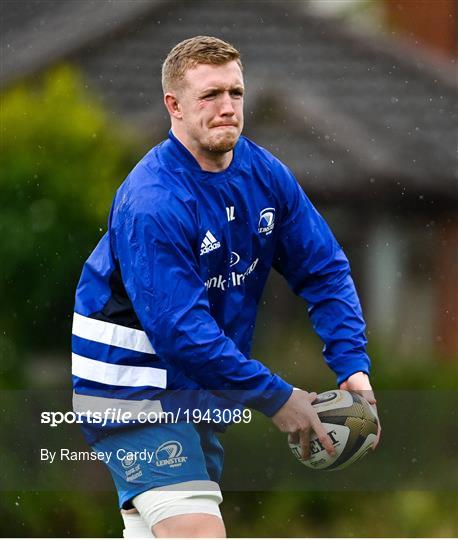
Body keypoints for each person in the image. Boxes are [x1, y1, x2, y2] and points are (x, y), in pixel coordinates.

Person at [71, 35, 380, 538]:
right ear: (173, 105)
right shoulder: (154, 200)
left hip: (201, 386)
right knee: (199, 532)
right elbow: (179, 331)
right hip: (132, 387)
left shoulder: (265, 176)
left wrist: (354, 368)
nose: (228, 107)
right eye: (210, 95)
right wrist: (278, 396)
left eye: (235, 93)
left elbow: (324, 270)